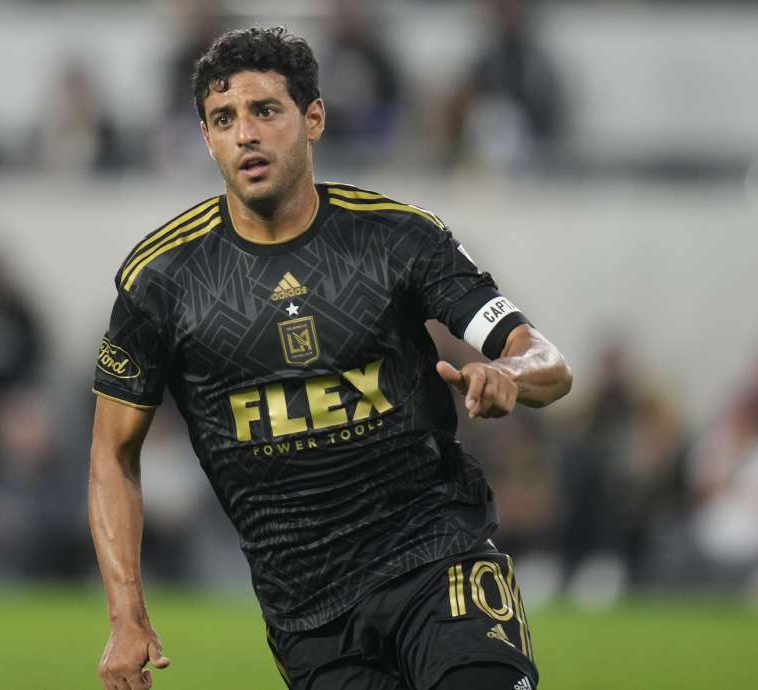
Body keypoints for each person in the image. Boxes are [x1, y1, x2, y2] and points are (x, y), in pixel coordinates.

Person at [88, 27, 572, 690]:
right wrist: (126, 615)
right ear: (205, 137)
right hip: (309, 617)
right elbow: (114, 453)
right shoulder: (162, 281)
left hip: (436, 560)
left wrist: (510, 375)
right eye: (223, 119)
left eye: (266, 111)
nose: (246, 135)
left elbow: (544, 358)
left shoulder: (396, 238)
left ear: (313, 118)